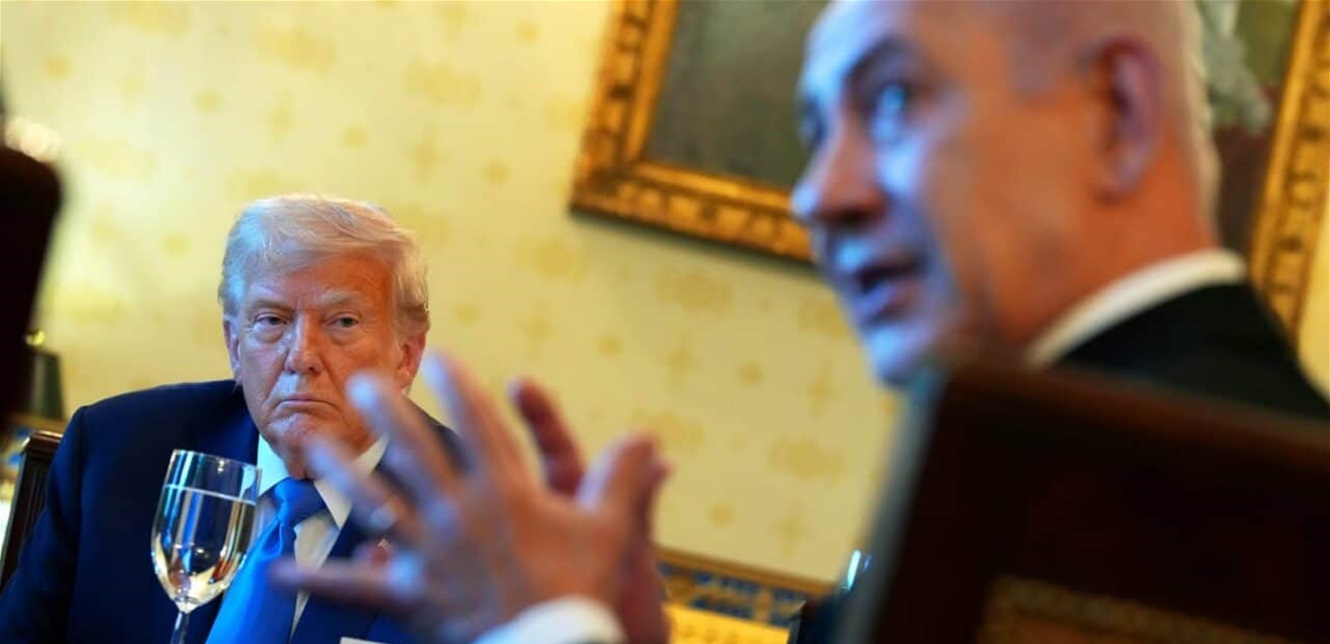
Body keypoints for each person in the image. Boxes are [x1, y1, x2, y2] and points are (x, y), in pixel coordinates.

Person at [278, 0, 1330, 642]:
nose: (819, 193)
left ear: (1121, 113)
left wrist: (545, 629)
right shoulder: (1032, 443)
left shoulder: (1214, 496)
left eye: (892, 100)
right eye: (815, 132)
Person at [0, 194, 454, 643]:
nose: (301, 356)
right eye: (272, 320)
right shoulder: (117, 450)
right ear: (235, 345)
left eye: (344, 322)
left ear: (406, 355)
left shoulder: (470, 511)